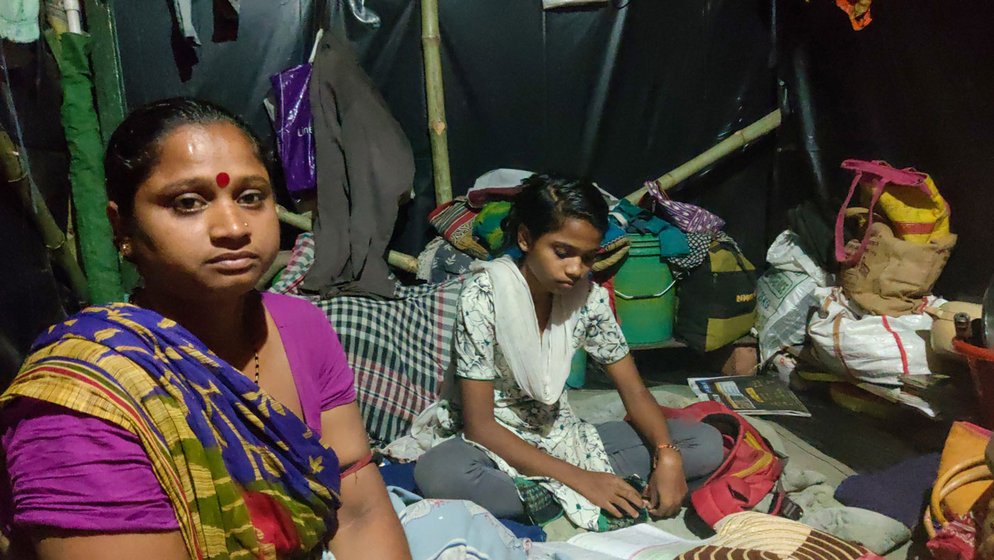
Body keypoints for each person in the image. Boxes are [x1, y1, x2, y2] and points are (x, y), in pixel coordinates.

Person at [0, 98, 411, 560]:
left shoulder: (304, 326)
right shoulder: (89, 398)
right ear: (123, 228)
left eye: (251, 197)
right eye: (188, 203)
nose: (234, 226)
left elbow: (359, 513)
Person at [414, 175, 725, 530]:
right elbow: (481, 426)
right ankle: (568, 494)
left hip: (561, 436)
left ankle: (545, 495)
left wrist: (667, 456)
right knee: (440, 474)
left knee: (705, 443)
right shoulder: (484, 297)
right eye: (563, 253)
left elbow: (635, 392)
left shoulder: (588, 300)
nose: (576, 269)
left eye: (588, 257)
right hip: (492, 444)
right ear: (526, 239)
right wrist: (581, 480)